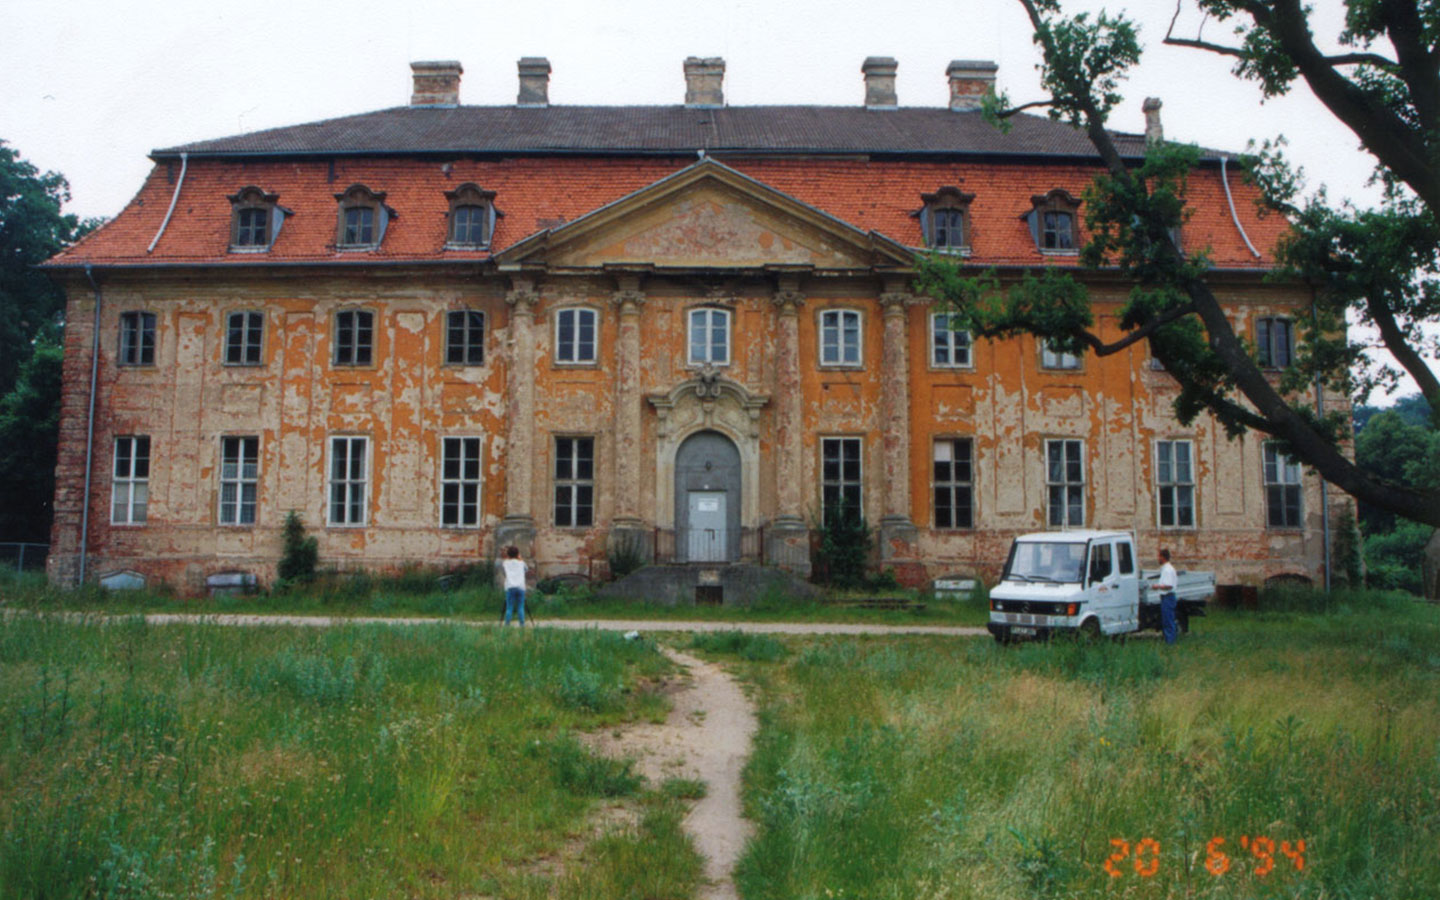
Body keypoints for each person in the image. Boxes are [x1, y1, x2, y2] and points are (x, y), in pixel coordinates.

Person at [1156, 548, 1179, 645]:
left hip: (1168, 597)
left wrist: (1157, 586)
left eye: (1159, 556)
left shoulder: (1168, 570)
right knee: (1167, 619)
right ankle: (1170, 639)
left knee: (1168, 620)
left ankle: (1170, 642)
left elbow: (1169, 586)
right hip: (1166, 597)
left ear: (1163, 557)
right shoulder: (1165, 569)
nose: (1158, 558)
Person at [501, 545, 527, 627]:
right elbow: (526, 569)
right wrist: (520, 558)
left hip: (510, 586)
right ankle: (522, 624)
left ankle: (507, 624)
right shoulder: (521, 563)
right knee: (520, 607)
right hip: (520, 586)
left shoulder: (505, 563)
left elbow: (504, 571)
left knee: (509, 607)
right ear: (517, 554)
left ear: (508, 554)